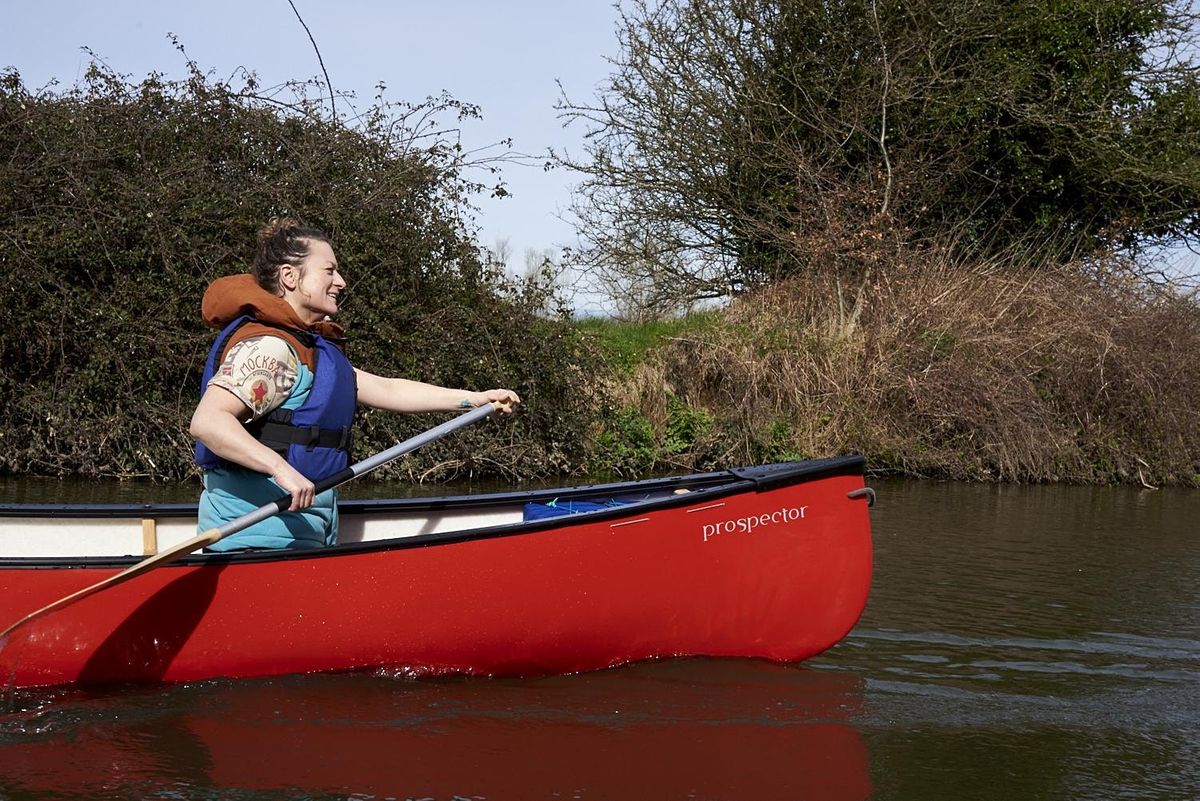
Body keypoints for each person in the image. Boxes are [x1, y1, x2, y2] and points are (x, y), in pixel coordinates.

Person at [189, 218, 520, 551]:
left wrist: (476, 400)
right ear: (290, 277)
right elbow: (209, 422)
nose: (341, 282)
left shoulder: (309, 349)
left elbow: (388, 390)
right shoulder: (271, 350)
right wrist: (280, 469)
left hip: (303, 534)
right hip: (255, 538)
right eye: (329, 271)